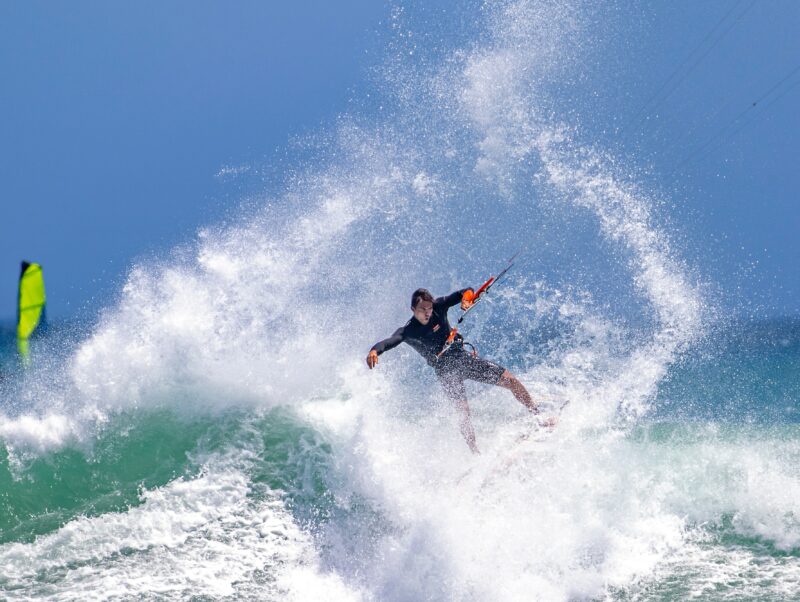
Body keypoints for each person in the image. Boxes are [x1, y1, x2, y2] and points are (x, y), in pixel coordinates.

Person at [367, 287, 549, 453]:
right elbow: (388, 341)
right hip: (446, 372)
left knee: (510, 380)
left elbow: (464, 292)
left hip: (463, 360)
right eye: (422, 309)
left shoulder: (439, 307)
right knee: (464, 413)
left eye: (429, 308)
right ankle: (475, 451)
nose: (427, 313)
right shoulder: (407, 331)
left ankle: (537, 415)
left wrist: (466, 300)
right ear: (413, 309)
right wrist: (375, 350)